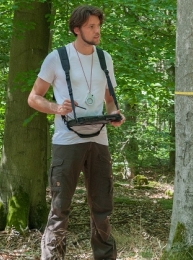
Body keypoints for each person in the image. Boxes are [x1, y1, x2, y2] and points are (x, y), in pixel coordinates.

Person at [28, 5, 124, 260]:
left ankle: (105, 257)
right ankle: (53, 257)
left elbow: (110, 99)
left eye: (98, 26)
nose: (97, 31)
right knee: (60, 208)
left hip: (99, 141)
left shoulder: (105, 58)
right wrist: (56, 107)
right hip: (67, 141)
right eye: (91, 26)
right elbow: (34, 97)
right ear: (76, 29)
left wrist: (115, 114)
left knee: (103, 207)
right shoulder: (57, 57)